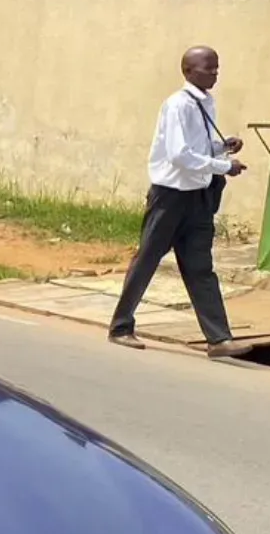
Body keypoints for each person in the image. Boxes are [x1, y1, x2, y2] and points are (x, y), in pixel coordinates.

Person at [108, 46, 253, 358]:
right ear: (188, 71)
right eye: (208, 68)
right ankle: (121, 327)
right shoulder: (177, 105)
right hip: (170, 197)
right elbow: (178, 155)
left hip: (198, 198)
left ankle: (218, 339)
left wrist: (220, 147)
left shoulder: (205, 103)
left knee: (201, 267)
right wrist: (224, 166)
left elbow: (196, 148)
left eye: (217, 68)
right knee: (147, 259)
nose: (215, 73)